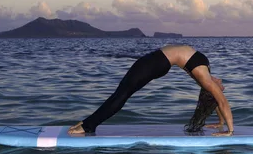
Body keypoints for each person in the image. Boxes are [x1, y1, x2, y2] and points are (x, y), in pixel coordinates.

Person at [68, 44, 234, 136]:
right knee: (121, 94)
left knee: (121, 95)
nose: (222, 86)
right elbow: (217, 100)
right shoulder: (206, 73)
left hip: (155, 63)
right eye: (221, 87)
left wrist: (230, 130)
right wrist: (220, 123)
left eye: (220, 88)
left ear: (211, 90)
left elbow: (221, 101)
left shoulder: (205, 79)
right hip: (156, 62)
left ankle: (89, 126)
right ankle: (88, 123)